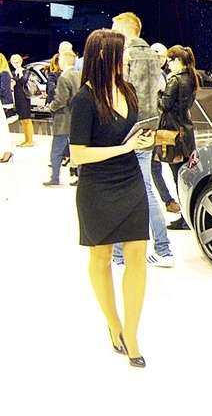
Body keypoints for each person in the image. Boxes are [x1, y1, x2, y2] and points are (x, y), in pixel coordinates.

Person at [69, 29, 155, 368]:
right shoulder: (84, 99)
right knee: (101, 257)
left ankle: (132, 334)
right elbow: (78, 155)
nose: (128, 57)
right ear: (106, 56)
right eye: (123, 52)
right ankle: (114, 323)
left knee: (137, 256)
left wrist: (142, 141)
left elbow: (129, 135)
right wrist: (123, 148)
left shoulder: (128, 90)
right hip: (97, 186)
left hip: (130, 180)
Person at [111, 12, 172, 267]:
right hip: (147, 129)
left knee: (118, 191)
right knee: (146, 189)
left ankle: (118, 255)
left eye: (114, 28)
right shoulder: (154, 56)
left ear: (124, 29)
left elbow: (119, 93)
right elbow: (160, 93)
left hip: (124, 131)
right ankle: (164, 250)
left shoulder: (124, 56)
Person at [158, 45, 199, 230]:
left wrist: (157, 94)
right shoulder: (191, 78)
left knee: (178, 178)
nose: (168, 64)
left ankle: (185, 219)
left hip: (173, 132)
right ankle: (188, 216)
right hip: (186, 131)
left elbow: (165, 105)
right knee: (185, 176)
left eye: (170, 60)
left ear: (178, 60)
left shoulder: (174, 80)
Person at [149, 42, 179, 214]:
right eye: (157, 56)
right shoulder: (151, 75)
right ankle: (168, 200)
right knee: (155, 165)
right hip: (153, 126)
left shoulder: (164, 76)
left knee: (171, 163)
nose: (159, 59)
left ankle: (173, 200)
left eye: (162, 57)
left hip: (165, 127)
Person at [43, 50, 80, 186]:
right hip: (77, 118)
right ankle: (81, 178)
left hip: (63, 119)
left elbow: (61, 100)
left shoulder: (64, 77)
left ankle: (55, 178)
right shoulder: (80, 75)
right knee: (77, 150)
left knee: (56, 151)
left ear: (63, 61)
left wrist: (51, 107)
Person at [10, 54, 33, 147]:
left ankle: (29, 141)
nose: (16, 64)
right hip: (17, 98)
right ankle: (26, 139)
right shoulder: (12, 73)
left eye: (17, 62)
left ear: (21, 61)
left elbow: (24, 81)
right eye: (13, 62)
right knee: (23, 120)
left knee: (27, 119)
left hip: (25, 97)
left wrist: (20, 73)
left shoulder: (26, 71)